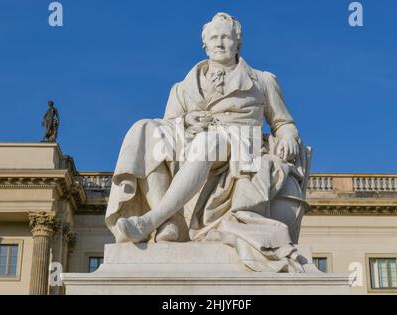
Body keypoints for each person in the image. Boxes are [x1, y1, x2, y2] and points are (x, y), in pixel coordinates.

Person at [106, 13, 307, 272]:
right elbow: (169, 123)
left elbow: (283, 122)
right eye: (214, 38)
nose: (220, 43)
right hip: (190, 139)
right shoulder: (182, 87)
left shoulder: (262, 80)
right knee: (144, 129)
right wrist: (188, 120)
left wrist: (288, 134)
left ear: (238, 43)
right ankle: (171, 223)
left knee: (208, 142)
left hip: (240, 143)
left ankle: (152, 219)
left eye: (226, 37)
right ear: (205, 44)